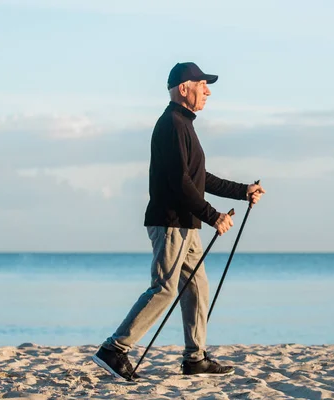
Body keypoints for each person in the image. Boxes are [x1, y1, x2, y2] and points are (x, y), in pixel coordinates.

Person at [91, 62, 265, 380]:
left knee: (196, 285)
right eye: (202, 84)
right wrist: (213, 216)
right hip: (171, 222)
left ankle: (195, 358)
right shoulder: (172, 123)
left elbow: (198, 178)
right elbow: (179, 182)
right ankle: (114, 349)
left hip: (186, 223)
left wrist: (242, 191)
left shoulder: (184, 124)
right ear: (183, 88)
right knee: (164, 289)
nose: (208, 91)